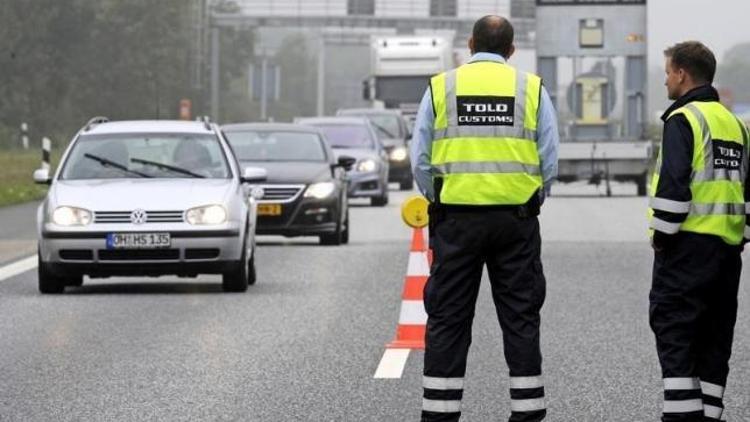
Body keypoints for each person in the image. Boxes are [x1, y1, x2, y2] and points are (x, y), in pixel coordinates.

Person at [410, 15, 559, 422]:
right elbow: (549, 157)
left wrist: (438, 196)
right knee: (520, 317)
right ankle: (527, 414)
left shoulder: (441, 87)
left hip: (456, 222)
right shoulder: (531, 88)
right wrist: (531, 197)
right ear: (511, 50)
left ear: (470, 43)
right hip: (516, 222)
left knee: (448, 318)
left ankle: (440, 415)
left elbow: (420, 158)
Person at [648, 41, 750, 422]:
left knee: (675, 331)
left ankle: (680, 417)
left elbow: (673, 188)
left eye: (667, 73)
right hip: (727, 252)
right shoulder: (735, 124)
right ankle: (709, 416)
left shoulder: (683, 120)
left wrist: (661, 238)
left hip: (686, 247)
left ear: (681, 74)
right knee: (714, 338)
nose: (665, 80)